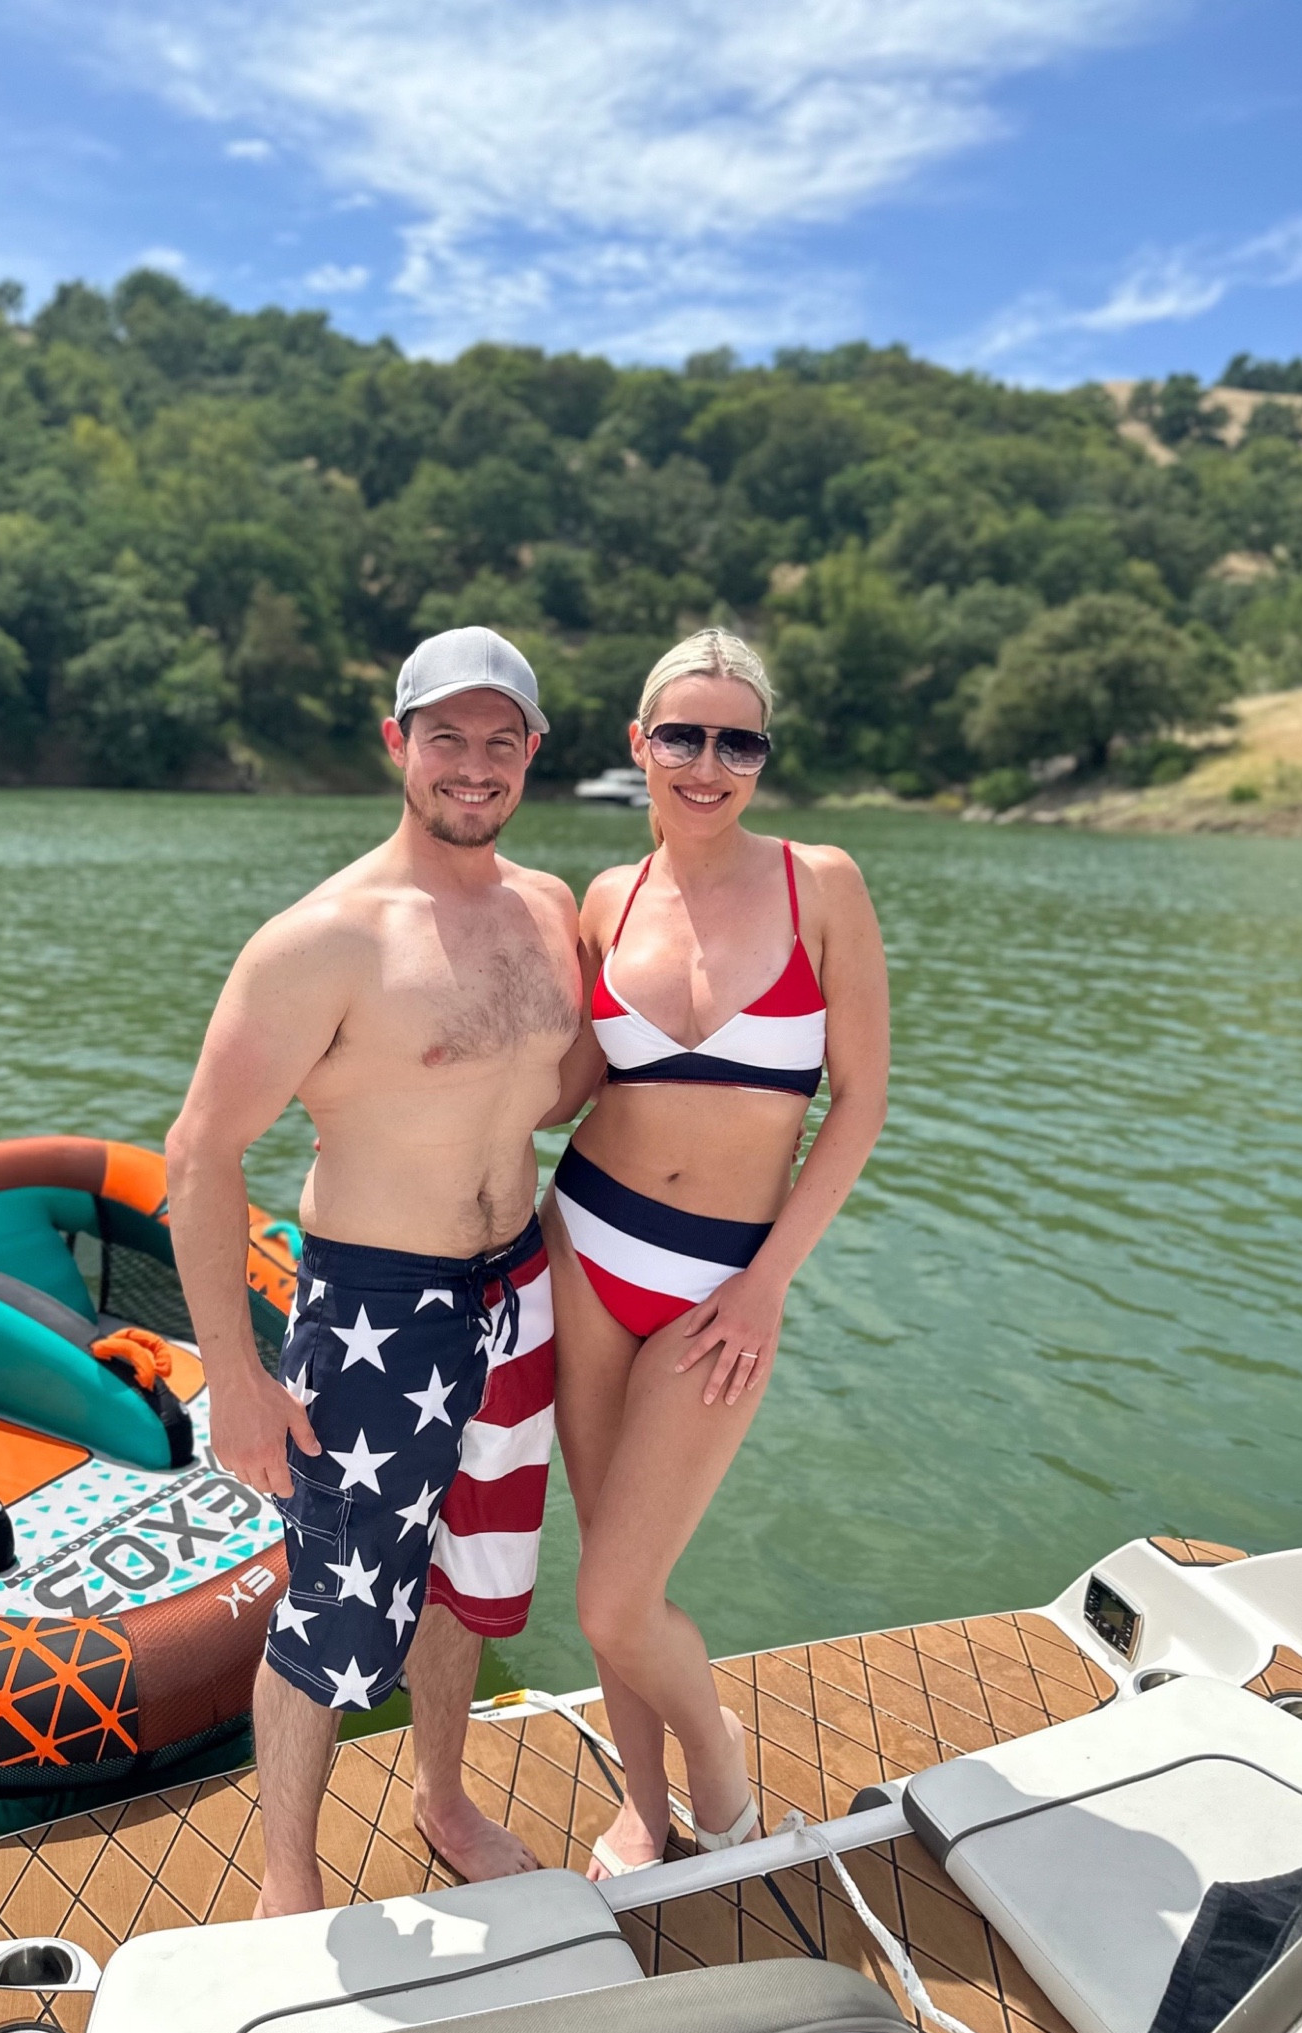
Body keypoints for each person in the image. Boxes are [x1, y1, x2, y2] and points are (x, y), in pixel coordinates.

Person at [167, 626, 580, 1916]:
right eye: (443, 735)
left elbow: (561, 1083)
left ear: (531, 752)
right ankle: (287, 1883)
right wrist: (234, 1374)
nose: (473, 763)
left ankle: (440, 1794)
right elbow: (199, 1153)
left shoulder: (551, 909)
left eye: (498, 738)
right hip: (372, 1311)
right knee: (329, 1615)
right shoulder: (322, 940)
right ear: (396, 741)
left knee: (469, 1581)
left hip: (515, 1289)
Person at [541, 628, 889, 1879]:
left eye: (735, 739)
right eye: (681, 734)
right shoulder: (603, 897)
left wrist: (767, 1279)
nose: (706, 761)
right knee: (600, 1561)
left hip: (719, 1285)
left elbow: (858, 1100)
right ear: (638, 744)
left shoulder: (820, 885)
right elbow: (569, 1082)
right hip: (583, 1245)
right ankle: (644, 1804)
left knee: (617, 1595)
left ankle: (716, 1760)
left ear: (761, 758)